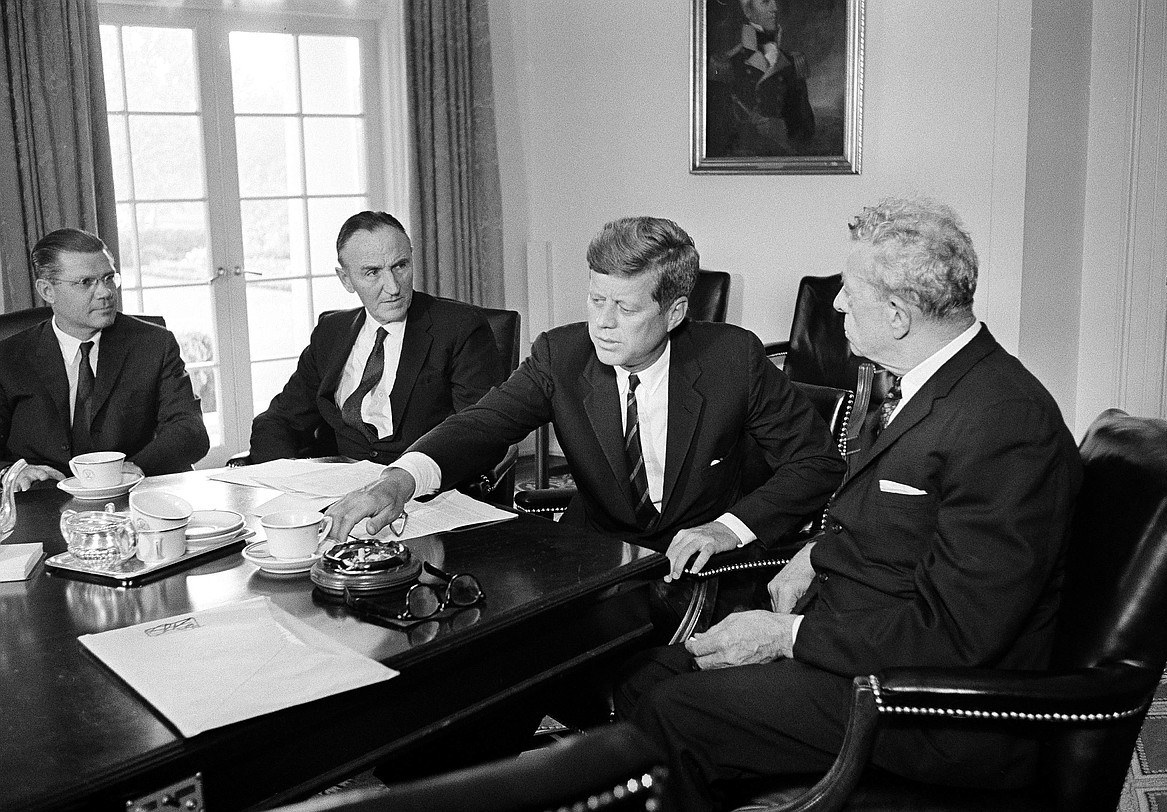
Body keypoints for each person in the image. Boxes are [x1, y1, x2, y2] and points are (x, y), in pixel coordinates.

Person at [614, 197, 1083, 812]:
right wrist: (816, 552)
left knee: (674, 714)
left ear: (896, 314)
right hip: (862, 650)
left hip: (922, 710)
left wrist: (788, 635)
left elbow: (960, 637)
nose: (833, 303)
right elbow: (903, 526)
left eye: (848, 288)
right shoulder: (934, 385)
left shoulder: (1005, 423)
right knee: (648, 675)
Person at [327, 215, 844, 570]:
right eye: (597, 299)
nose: (603, 323)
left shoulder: (733, 358)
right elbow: (481, 425)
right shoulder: (562, 353)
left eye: (626, 307)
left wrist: (730, 528)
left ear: (676, 312)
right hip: (596, 554)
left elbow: (816, 464)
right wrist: (398, 482)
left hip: (702, 562)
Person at [248, 211, 503, 466]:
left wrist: (407, 478)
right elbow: (278, 420)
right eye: (372, 272)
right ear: (346, 279)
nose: (393, 287)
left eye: (400, 266)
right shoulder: (331, 331)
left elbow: (479, 433)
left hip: (421, 489)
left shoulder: (460, 327)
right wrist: (284, 480)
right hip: (338, 487)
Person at [0, 228, 210, 491]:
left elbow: (191, 432)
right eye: (86, 282)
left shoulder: (153, 344)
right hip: (41, 498)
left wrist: (137, 467)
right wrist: (12, 472)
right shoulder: (9, 357)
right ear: (47, 290)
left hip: (129, 493)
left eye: (109, 278)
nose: (105, 293)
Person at [706, 0, 817, 157]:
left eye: (775, 1)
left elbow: (806, 131)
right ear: (748, 11)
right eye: (765, 2)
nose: (775, 8)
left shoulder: (792, 63)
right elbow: (716, 137)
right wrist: (750, 131)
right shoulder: (725, 65)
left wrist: (783, 129)